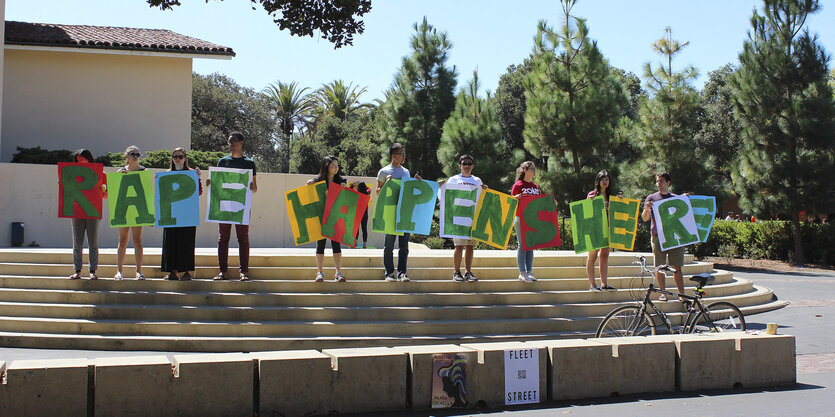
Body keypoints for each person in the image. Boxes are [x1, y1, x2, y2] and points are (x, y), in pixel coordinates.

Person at [209, 132, 257, 282]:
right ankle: (223, 271)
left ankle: (244, 272)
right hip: (224, 205)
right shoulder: (222, 162)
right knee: (223, 238)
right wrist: (211, 184)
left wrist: (253, 186)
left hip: (241, 205)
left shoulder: (249, 163)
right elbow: (218, 183)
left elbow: (254, 188)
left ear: (241, 143)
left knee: (243, 238)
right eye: (229, 141)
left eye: (234, 141)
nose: (231, 144)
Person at [438, 155, 488, 282]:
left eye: (469, 163)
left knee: (470, 246)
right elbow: (445, 197)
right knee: (459, 246)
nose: (467, 166)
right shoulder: (453, 179)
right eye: (464, 163)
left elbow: (482, 198)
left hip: (472, 218)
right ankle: (456, 272)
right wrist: (440, 188)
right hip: (458, 218)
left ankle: (468, 272)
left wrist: (485, 191)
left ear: (473, 165)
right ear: (459, 166)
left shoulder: (477, 180)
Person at [376, 143, 421, 282]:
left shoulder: (406, 172)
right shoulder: (383, 172)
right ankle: (389, 273)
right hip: (390, 212)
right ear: (393, 155)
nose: (404, 156)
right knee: (389, 244)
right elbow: (379, 193)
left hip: (404, 211)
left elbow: (408, 190)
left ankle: (402, 273)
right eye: (401, 154)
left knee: (404, 245)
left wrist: (416, 182)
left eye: (404, 154)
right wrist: (388, 183)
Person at [641, 172, 685, 301]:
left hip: (675, 237)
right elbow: (645, 219)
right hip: (657, 236)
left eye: (661, 181)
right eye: (657, 181)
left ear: (668, 183)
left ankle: (682, 295)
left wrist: (686, 199)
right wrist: (647, 209)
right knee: (660, 267)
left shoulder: (676, 198)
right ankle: (663, 293)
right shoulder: (651, 198)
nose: (658, 184)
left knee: (677, 267)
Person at [161, 148, 202, 281]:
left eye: (180, 156)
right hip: (171, 214)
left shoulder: (191, 173)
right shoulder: (167, 174)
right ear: (172, 159)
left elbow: (199, 192)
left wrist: (198, 178)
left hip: (187, 214)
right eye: (175, 156)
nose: (178, 159)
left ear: (185, 158)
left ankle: (187, 272)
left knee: (186, 242)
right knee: (171, 242)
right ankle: (173, 271)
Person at [307, 155, 347, 282]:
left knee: (337, 244)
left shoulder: (341, 181)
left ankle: (338, 272)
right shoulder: (318, 180)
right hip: (321, 216)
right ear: (326, 167)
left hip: (335, 216)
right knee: (320, 244)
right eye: (332, 165)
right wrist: (309, 184)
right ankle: (319, 272)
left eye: (337, 165)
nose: (335, 168)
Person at [67, 149, 105, 280]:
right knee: (77, 242)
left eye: (82, 159)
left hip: (92, 210)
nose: (79, 161)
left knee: (92, 242)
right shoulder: (72, 175)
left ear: (89, 158)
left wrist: (102, 190)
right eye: (77, 160)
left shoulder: (100, 174)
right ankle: (77, 270)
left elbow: (105, 195)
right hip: (77, 210)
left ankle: (92, 270)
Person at [115, 145, 146, 280]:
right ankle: (119, 271)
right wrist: (118, 178)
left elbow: (147, 192)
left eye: (137, 154)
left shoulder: (144, 171)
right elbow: (115, 192)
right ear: (126, 156)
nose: (135, 156)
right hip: (124, 208)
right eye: (132, 154)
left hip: (138, 208)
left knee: (137, 240)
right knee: (122, 240)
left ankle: (138, 271)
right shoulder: (120, 171)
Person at [586, 170, 616, 292]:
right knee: (592, 256)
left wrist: (620, 201)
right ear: (598, 181)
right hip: (595, 229)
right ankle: (592, 285)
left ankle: (604, 283)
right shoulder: (592, 194)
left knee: (604, 256)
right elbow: (586, 211)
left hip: (607, 230)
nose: (605, 181)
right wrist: (590, 201)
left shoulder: (611, 196)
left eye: (607, 179)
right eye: (602, 179)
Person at [511, 161, 540, 282]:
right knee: (522, 245)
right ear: (525, 171)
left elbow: (539, 202)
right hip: (520, 217)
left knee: (530, 246)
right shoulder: (518, 185)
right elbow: (510, 201)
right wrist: (515, 198)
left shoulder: (535, 187)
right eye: (532, 169)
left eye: (534, 169)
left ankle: (529, 272)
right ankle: (522, 273)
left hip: (532, 218)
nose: (534, 171)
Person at [355, 181, 371, 248]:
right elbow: (369, 189)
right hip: (364, 212)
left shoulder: (356, 193)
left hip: (357, 212)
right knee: (364, 228)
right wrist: (365, 186)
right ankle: (364, 244)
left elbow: (349, 189)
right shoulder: (367, 194)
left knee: (356, 228)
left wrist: (354, 185)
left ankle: (355, 243)